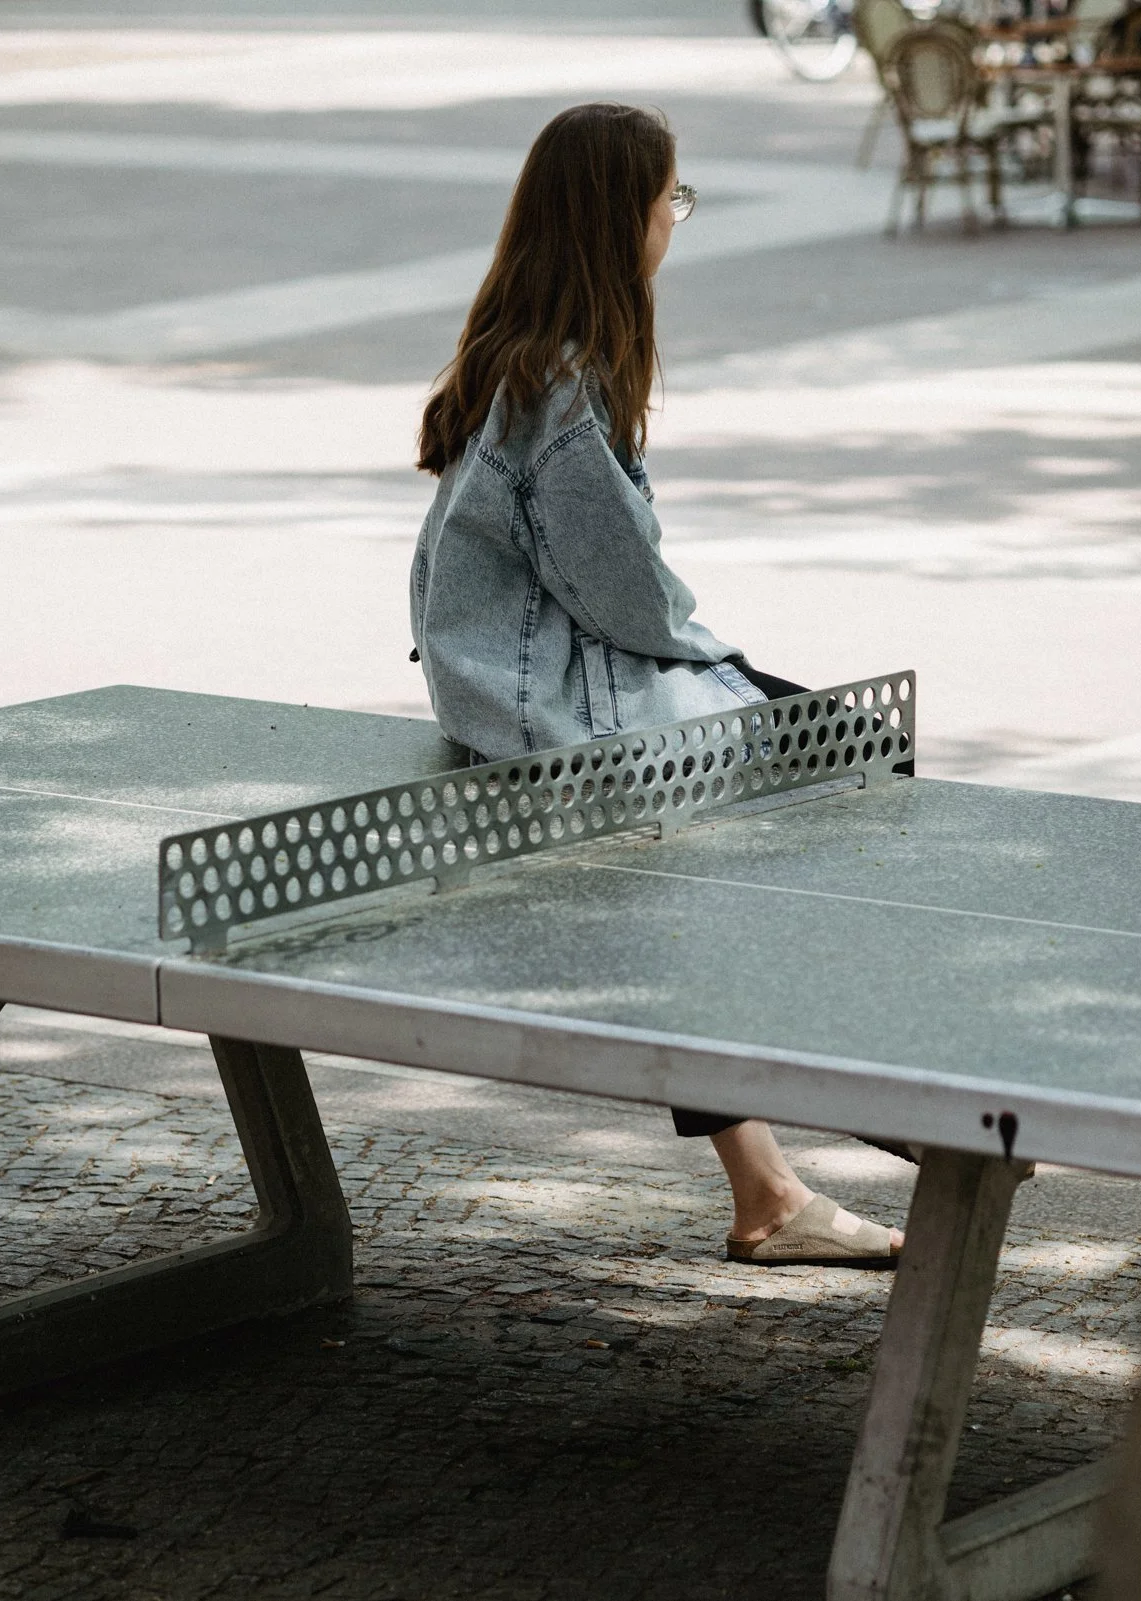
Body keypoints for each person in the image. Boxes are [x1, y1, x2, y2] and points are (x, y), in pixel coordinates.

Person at [406, 102, 905, 1267]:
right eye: (668, 197)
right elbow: (631, 599)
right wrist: (721, 663)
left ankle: (768, 1189)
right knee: (864, 762)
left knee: (729, 841)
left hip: (521, 694)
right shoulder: (563, 394)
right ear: (619, 219)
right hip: (555, 712)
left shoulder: (516, 358)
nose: (676, 219)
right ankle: (893, 1079)